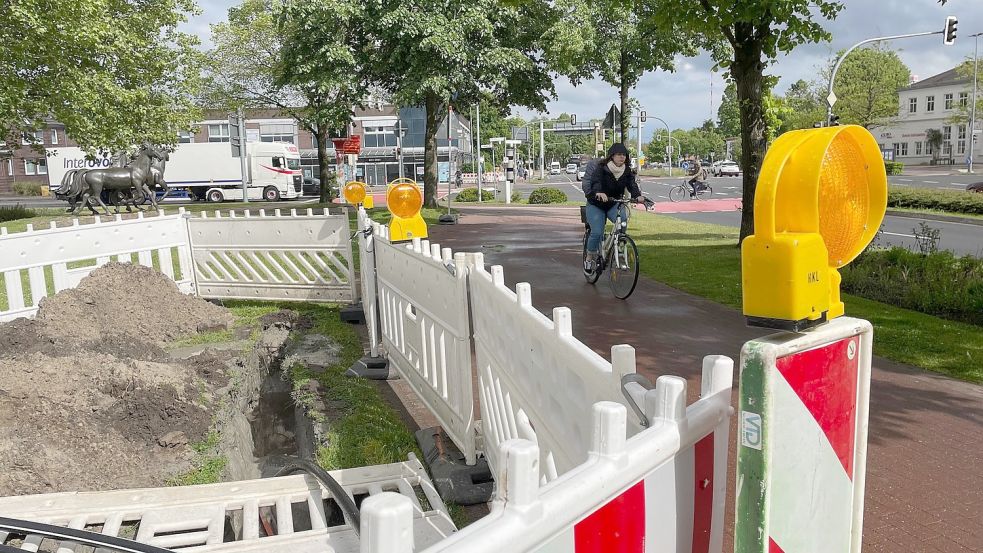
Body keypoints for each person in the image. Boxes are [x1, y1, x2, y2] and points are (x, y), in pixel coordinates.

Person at [583, 143, 646, 274]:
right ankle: (589, 258)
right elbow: (596, 182)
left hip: (613, 203)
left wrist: (638, 196)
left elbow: (632, 185)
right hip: (596, 204)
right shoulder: (601, 168)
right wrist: (598, 192)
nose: (622, 157)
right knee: (597, 232)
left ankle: (621, 252)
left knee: (622, 222)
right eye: (619, 155)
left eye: (624, 155)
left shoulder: (626, 171)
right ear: (612, 156)